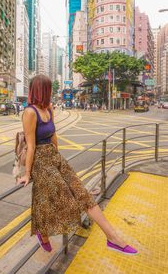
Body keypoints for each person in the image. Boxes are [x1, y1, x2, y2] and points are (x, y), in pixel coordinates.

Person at [18, 75, 138, 255]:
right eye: (48, 89)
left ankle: (113, 238)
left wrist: (58, 159)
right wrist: (27, 173)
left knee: (83, 195)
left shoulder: (49, 109)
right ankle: (43, 234)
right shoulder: (29, 112)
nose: (51, 92)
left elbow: (53, 136)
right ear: (42, 90)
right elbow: (32, 144)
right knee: (60, 200)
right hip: (40, 162)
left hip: (54, 158)